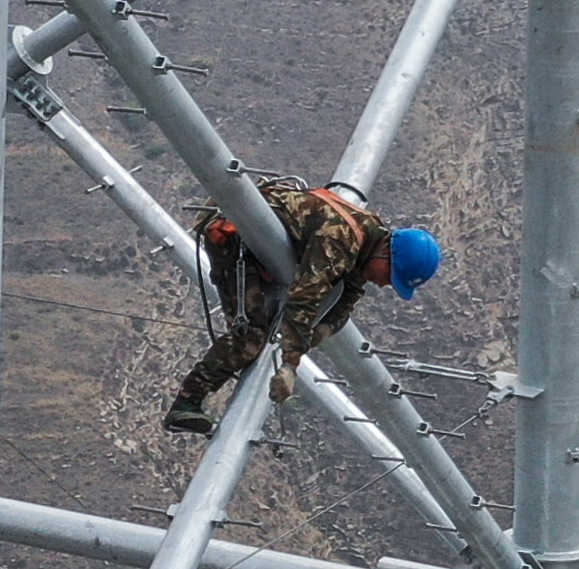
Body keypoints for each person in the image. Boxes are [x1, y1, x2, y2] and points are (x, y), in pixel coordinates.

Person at [165, 175, 442, 433]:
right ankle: (186, 403)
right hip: (234, 238)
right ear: (386, 254)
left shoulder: (369, 239)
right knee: (250, 338)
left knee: (267, 326)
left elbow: (347, 299)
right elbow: (304, 296)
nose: (385, 284)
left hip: (261, 249)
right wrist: (290, 364)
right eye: (389, 277)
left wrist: (318, 333)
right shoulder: (340, 239)